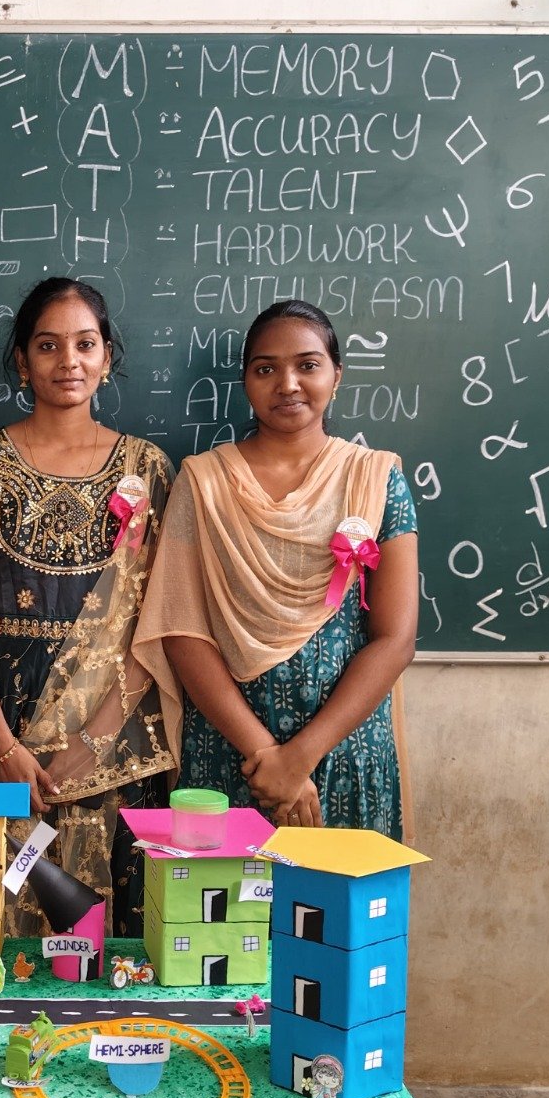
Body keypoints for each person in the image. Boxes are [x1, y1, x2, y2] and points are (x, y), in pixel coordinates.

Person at [0, 278, 175, 938]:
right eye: (48, 346)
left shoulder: (149, 469)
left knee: (102, 939)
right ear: (22, 361)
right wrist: (1, 745)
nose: (68, 360)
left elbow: (157, 621)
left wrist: (92, 741)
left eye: (85, 344)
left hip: (113, 737)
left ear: (106, 357)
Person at [135, 300, 419, 839]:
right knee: (224, 895)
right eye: (266, 369)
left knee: (337, 893)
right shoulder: (204, 482)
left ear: (336, 375)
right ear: (246, 382)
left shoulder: (375, 479)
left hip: (344, 750)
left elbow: (396, 639)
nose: (288, 384)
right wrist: (265, 753)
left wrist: (300, 757)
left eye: (308, 365)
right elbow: (180, 628)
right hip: (232, 754)